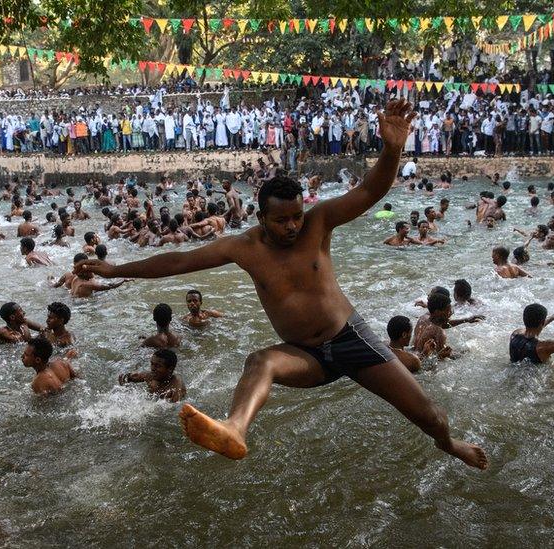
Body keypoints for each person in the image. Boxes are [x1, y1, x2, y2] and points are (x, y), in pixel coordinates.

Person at [80, 101, 488, 468]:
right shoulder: (244, 248)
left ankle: (449, 443)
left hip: (350, 339)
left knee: (431, 417)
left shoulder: (319, 222)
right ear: (261, 218)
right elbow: (179, 261)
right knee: (260, 361)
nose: (293, 226)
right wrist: (117, 271)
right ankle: (235, 429)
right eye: (282, 219)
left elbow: (369, 191)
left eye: (296, 216)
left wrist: (392, 150)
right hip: (304, 354)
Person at [118, 349, 187, 402]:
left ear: (170, 369)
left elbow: (173, 409)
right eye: (152, 364)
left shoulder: (177, 384)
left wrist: (155, 391)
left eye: (158, 366)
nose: (153, 368)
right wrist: (129, 376)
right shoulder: (150, 375)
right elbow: (124, 378)